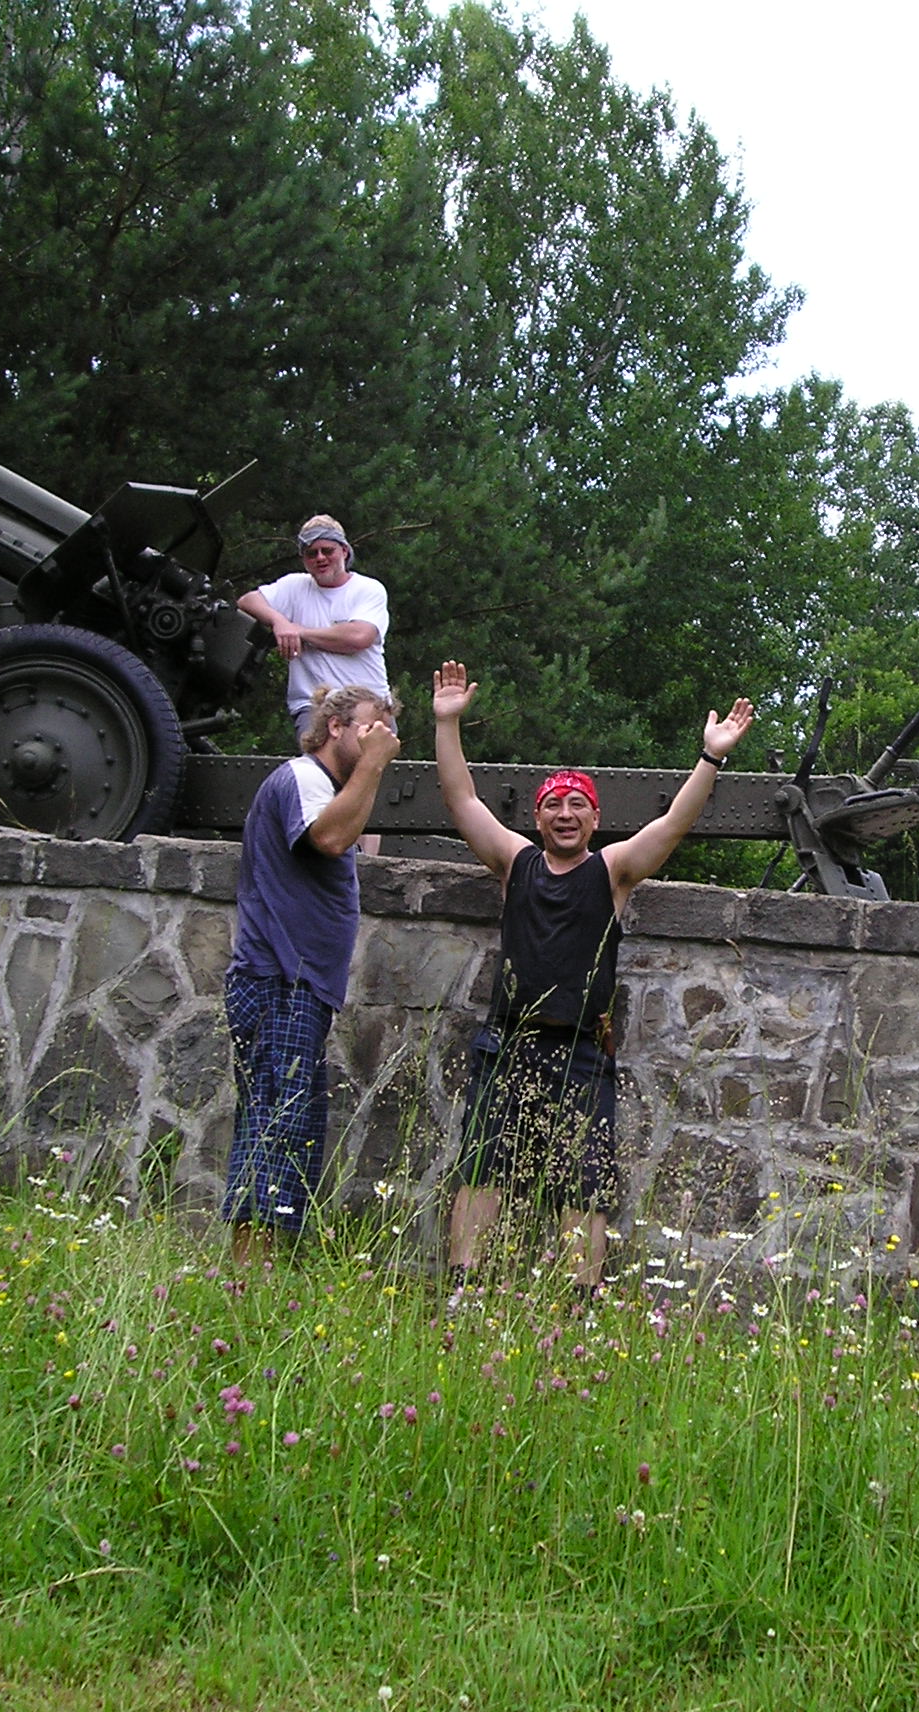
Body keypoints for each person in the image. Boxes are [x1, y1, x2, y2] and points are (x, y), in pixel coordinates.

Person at [432, 658, 754, 1291]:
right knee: (481, 1166)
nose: (565, 813)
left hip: (581, 1049)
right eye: (553, 805)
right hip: (508, 1042)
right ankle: (465, 1289)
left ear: (595, 819)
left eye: (577, 804)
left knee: (585, 1181)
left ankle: (579, 1299)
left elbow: (673, 824)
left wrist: (710, 758)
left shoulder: (612, 871)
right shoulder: (514, 861)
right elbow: (461, 798)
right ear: (538, 819)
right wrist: (447, 723)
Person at [222, 682, 400, 1267]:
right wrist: (373, 767)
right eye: (371, 726)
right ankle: (247, 1273)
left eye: (386, 731)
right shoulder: (301, 777)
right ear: (334, 727)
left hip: (300, 986)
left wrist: (365, 774)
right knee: (274, 1120)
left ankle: (262, 1266)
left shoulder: (334, 789)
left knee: (291, 1124)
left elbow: (353, 842)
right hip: (278, 979)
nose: (381, 739)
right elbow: (328, 837)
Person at [236, 515, 391, 738]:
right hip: (314, 707)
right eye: (311, 553)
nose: (320, 558)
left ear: (344, 551)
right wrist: (279, 621)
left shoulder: (368, 589)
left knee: (372, 760)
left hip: (368, 705)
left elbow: (358, 637)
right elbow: (247, 601)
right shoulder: (294, 586)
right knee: (316, 760)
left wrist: (298, 631)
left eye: (327, 550)